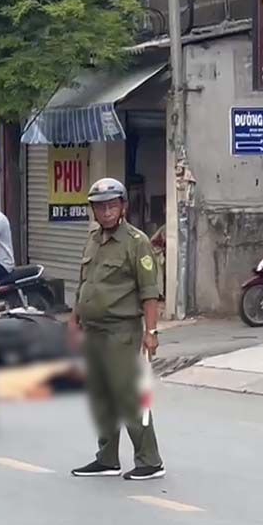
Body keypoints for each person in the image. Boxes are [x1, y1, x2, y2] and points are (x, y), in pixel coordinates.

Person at [68, 178, 164, 481]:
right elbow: (86, 284)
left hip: (121, 329)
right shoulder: (93, 239)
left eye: (112, 205)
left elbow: (150, 292)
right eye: (100, 207)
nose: (106, 212)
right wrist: (75, 318)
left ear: (123, 206)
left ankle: (150, 460)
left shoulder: (137, 243)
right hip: (93, 328)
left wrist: (151, 332)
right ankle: (107, 458)